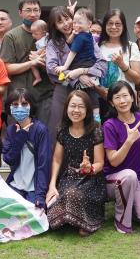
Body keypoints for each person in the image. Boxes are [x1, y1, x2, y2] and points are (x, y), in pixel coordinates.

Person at [46, 91, 107, 235]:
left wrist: (89, 168)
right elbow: (57, 159)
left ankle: (86, 221)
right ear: (66, 108)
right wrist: (52, 185)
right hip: (69, 177)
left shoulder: (95, 130)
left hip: (91, 179)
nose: (76, 110)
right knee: (57, 199)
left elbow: (100, 163)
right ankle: (70, 218)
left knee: (73, 194)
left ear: (87, 110)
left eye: (81, 107)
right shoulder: (62, 130)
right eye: (72, 106)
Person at [102, 81, 140, 233]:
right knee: (129, 176)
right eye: (117, 97)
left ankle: (132, 204)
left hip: (138, 179)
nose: (122, 101)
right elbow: (113, 161)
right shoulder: (109, 125)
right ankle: (121, 221)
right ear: (112, 103)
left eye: (126, 96)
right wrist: (129, 141)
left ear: (133, 98)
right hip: (114, 180)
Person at [46, 5, 107, 135]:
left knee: (91, 129)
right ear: (55, 26)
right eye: (59, 22)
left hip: (88, 87)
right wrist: (76, 77)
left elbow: (102, 64)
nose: (65, 24)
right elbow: (51, 68)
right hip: (63, 89)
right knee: (59, 129)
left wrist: (82, 72)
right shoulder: (53, 43)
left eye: (67, 19)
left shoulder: (87, 37)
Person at [0, 0, 52, 125]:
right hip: (19, 99)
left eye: (36, 10)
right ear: (20, 13)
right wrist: (32, 63)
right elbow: (6, 68)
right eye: (28, 10)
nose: (33, 14)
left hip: (45, 96)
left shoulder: (49, 36)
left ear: (40, 12)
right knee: (18, 138)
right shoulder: (11, 36)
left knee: (44, 137)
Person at [2, 88, 52, 210]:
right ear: (10, 107)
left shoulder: (40, 130)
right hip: (16, 184)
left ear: (31, 106)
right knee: (8, 210)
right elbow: (9, 159)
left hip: (35, 187)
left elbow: (43, 165)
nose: (20, 107)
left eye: (24, 104)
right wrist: (19, 139)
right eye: (15, 104)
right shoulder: (10, 130)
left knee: (34, 215)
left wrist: (40, 196)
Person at [96, 9, 140, 98]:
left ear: (123, 26)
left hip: (125, 101)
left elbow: (137, 80)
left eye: (118, 24)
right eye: (110, 23)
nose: (113, 27)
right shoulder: (97, 47)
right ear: (105, 26)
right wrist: (98, 89)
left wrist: (122, 65)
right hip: (102, 100)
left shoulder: (131, 47)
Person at [54, 7, 98, 84]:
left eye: (79, 23)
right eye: (74, 22)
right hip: (90, 64)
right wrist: (73, 34)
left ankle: (64, 81)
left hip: (81, 64)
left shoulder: (81, 37)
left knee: (67, 80)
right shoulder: (88, 34)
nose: (76, 25)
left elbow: (72, 53)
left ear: (89, 24)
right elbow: (68, 41)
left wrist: (65, 67)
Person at [29, 19, 48, 86]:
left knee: (32, 65)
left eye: (36, 34)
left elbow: (44, 48)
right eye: (32, 33)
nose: (33, 35)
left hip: (46, 58)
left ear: (44, 32)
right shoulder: (45, 37)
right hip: (43, 58)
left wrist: (37, 53)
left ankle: (38, 78)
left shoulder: (43, 40)